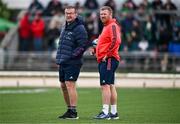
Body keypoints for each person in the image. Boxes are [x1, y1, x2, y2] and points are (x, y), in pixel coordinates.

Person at [56, 6, 89, 119]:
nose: (68, 15)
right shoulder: (65, 25)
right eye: (66, 13)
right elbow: (62, 44)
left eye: (71, 13)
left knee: (70, 85)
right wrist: (59, 58)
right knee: (63, 85)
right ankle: (69, 109)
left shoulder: (79, 27)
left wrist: (72, 56)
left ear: (75, 14)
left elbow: (83, 44)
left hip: (73, 61)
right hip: (63, 61)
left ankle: (73, 112)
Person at [90, 6, 121, 120]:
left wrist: (107, 54)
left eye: (104, 14)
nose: (102, 16)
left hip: (109, 59)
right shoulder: (106, 27)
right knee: (110, 85)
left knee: (105, 86)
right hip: (107, 58)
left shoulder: (112, 25)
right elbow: (106, 42)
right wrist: (96, 51)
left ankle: (105, 112)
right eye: (101, 14)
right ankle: (113, 113)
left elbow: (116, 41)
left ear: (110, 14)